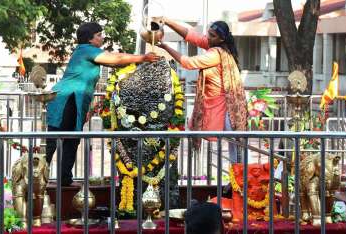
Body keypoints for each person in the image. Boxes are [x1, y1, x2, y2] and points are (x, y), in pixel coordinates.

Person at [46, 22, 159, 186]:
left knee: (71, 140)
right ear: (90, 39)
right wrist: (142, 58)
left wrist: (88, 108)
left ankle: (64, 180)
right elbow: (116, 59)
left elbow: (114, 60)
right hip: (66, 99)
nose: (102, 37)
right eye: (99, 35)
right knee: (54, 142)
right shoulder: (87, 50)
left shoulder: (87, 51)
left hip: (73, 100)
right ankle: (35, 180)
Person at [158, 19, 247, 163]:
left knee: (236, 148)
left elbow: (188, 63)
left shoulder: (216, 54)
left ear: (221, 38)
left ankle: (240, 182)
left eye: (212, 35)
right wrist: (167, 21)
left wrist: (166, 47)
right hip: (216, 103)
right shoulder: (215, 45)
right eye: (208, 34)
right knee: (234, 147)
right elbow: (191, 36)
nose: (208, 37)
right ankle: (236, 180)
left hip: (227, 108)